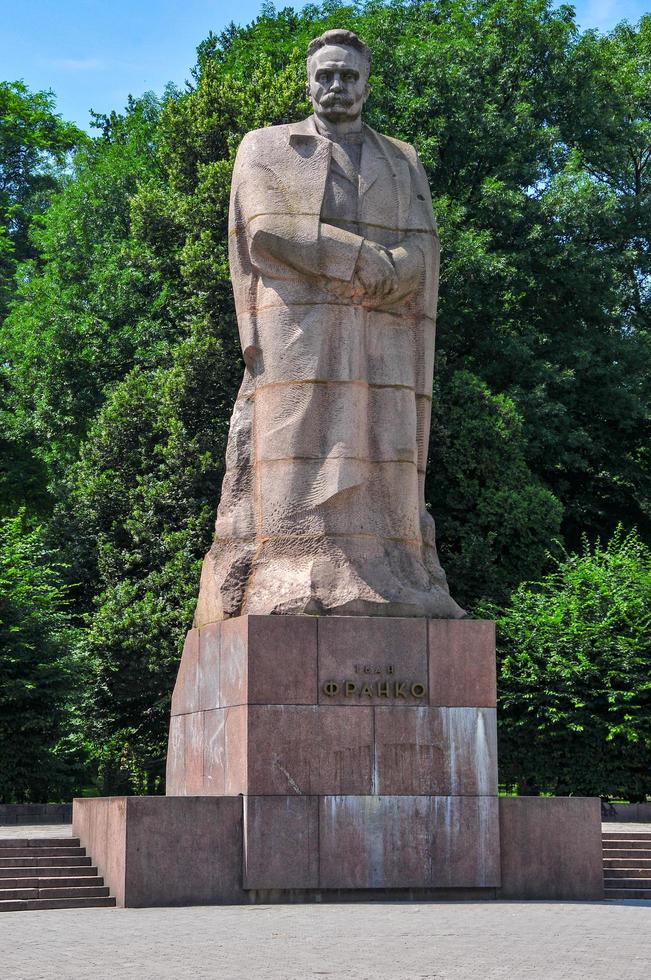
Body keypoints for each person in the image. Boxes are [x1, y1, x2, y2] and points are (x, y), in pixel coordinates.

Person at [194, 29, 464, 622]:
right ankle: (289, 574)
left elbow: (425, 246)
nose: (336, 86)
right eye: (326, 75)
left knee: (386, 444)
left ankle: (398, 575)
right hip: (300, 332)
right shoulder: (265, 146)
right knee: (298, 443)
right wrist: (364, 260)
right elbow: (265, 230)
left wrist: (397, 271)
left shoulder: (402, 158)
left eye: (348, 76)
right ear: (308, 81)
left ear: (366, 83)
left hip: (385, 333)